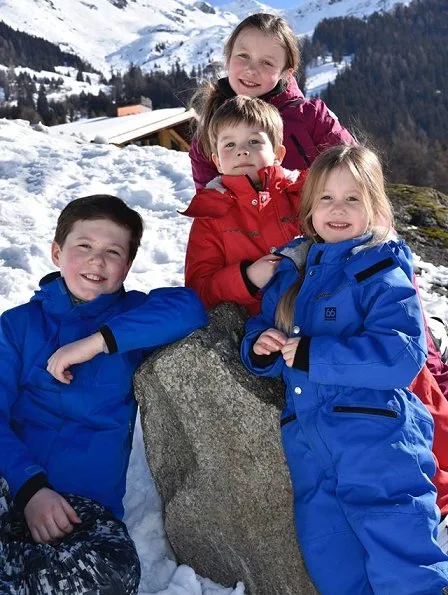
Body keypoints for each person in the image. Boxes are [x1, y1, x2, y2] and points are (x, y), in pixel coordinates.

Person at [240, 145, 448, 593]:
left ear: (374, 206)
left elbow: (402, 355)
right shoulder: (290, 271)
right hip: (310, 449)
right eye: (326, 199)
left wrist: (317, 355)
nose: (338, 209)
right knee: (333, 566)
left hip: (378, 441)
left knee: (404, 562)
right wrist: (260, 348)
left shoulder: (380, 268)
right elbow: (264, 325)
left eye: (353, 198)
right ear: (309, 208)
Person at [0, 194, 208, 594]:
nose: (97, 261)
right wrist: (30, 488)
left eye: (113, 252)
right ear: (57, 252)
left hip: (83, 512)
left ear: (127, 266)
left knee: (110, 575)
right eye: (84, 247)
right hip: (12, 486)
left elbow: (190, 308)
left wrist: (98, 342)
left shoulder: (133, 316)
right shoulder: (18, 326)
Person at [189, 12, 354, 190]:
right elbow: (208, 208)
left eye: (266, 63)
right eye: (243, 56)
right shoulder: (209, 134)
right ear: (228, 59)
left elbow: (357, 174)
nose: (251, 70)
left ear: (285, 72)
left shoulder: (311, 117)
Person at [183, 95, 307, 315]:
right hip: (255, 326)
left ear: (278, 154)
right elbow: (198, 291)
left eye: (254, 141)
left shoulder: (302, 193)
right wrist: (246, 278)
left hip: (318, 310)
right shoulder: (210, 214)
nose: (242, 151)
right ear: (218, 161)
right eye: (229, 144)